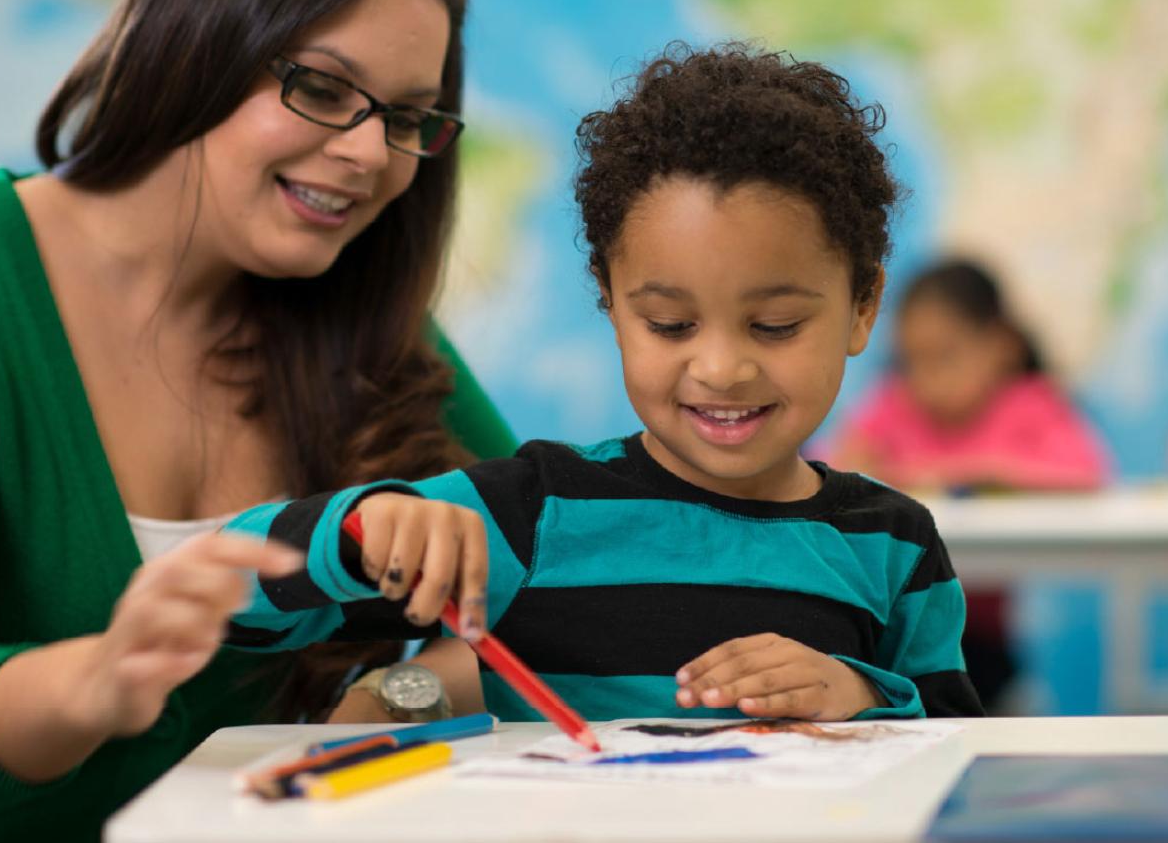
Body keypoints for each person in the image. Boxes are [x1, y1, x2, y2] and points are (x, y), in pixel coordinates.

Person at [0, 0, 515, 841]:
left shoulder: (370, 316)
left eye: (409, 118)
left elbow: (565, 584)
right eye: (324, 88)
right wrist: (98, 678)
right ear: (189, 45)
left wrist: (400, 693)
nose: (371, 154)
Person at [224, 42, 984, 721]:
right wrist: (363, 529)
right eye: (670, 325)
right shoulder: (533, 512)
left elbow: (956, 749)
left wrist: (862, 694)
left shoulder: (895, 544)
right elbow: (230, 598)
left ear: (862, 308)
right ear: (612, 305)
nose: (720, 369)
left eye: (776, 326)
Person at [828, 260, 1109, 709]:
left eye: (945, 356)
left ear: (1000, 345)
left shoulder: (1026, 401)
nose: (926, 379)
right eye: (911, 361)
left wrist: (979, 469)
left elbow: (1085, 471)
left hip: (982, 640)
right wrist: (857, 458)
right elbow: (828, 467)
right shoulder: (895, 403)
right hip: (891, 637)